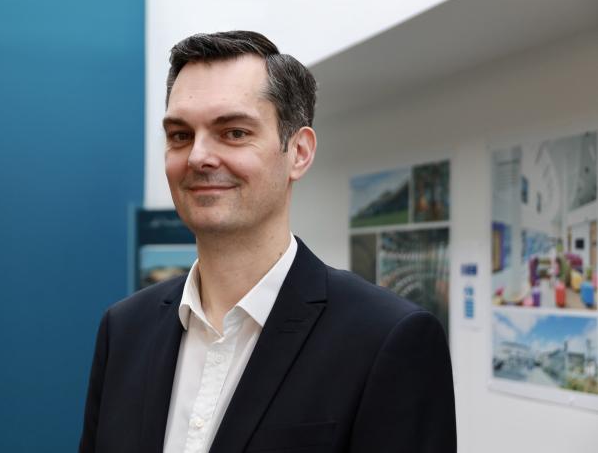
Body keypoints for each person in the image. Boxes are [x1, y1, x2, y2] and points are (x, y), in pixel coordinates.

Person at [79, 31, 456, 453]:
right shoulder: (124, 330)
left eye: (234, 132)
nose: (199, 156)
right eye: (180, 135)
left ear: (298, 152)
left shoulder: (386, 338)